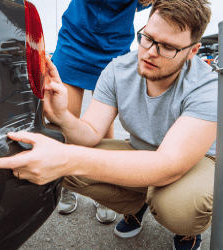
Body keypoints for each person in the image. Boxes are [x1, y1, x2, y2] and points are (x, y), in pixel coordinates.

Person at [0, 0, 215, 249]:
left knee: (179, 207)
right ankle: (138, 204)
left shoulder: (206, 86)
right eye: (147, 38)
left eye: (167, 47)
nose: (150, 52)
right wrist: (62, 116)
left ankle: (186, 231)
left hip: (191, 164)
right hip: (142, 153)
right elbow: (91, 133)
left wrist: (68, 158)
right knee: (53, 147)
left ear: (193, 50)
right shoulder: (119, 69)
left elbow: (169, 164)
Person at [51, 0, 155, 223]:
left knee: (103, 125)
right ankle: (65, 181)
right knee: (65, 118)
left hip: (113, 45)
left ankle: (102, 187)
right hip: (76, 38)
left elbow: (144, 5)